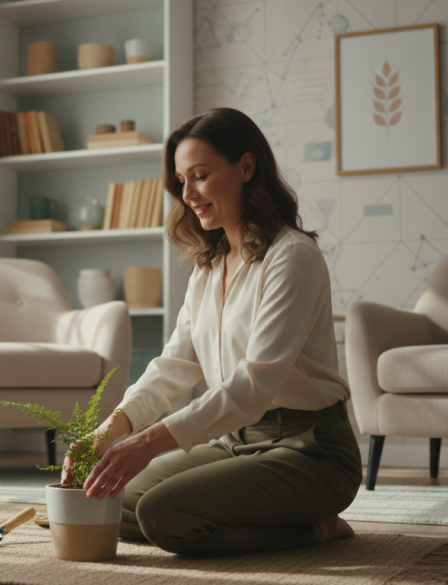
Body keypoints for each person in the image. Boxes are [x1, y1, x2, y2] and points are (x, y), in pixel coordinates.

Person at [63, 107, 361, 557]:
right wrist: (106, 433)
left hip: (310, 449)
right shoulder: (208, 269)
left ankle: (318, 527)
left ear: (246, 166)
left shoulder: (293, 256)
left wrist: (147, 443)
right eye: (182, 181)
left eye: (200, 176)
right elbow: (172, 367)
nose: (188, 194)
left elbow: (254, 383)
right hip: (232, 442)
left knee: (163, 516)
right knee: (112, 501)